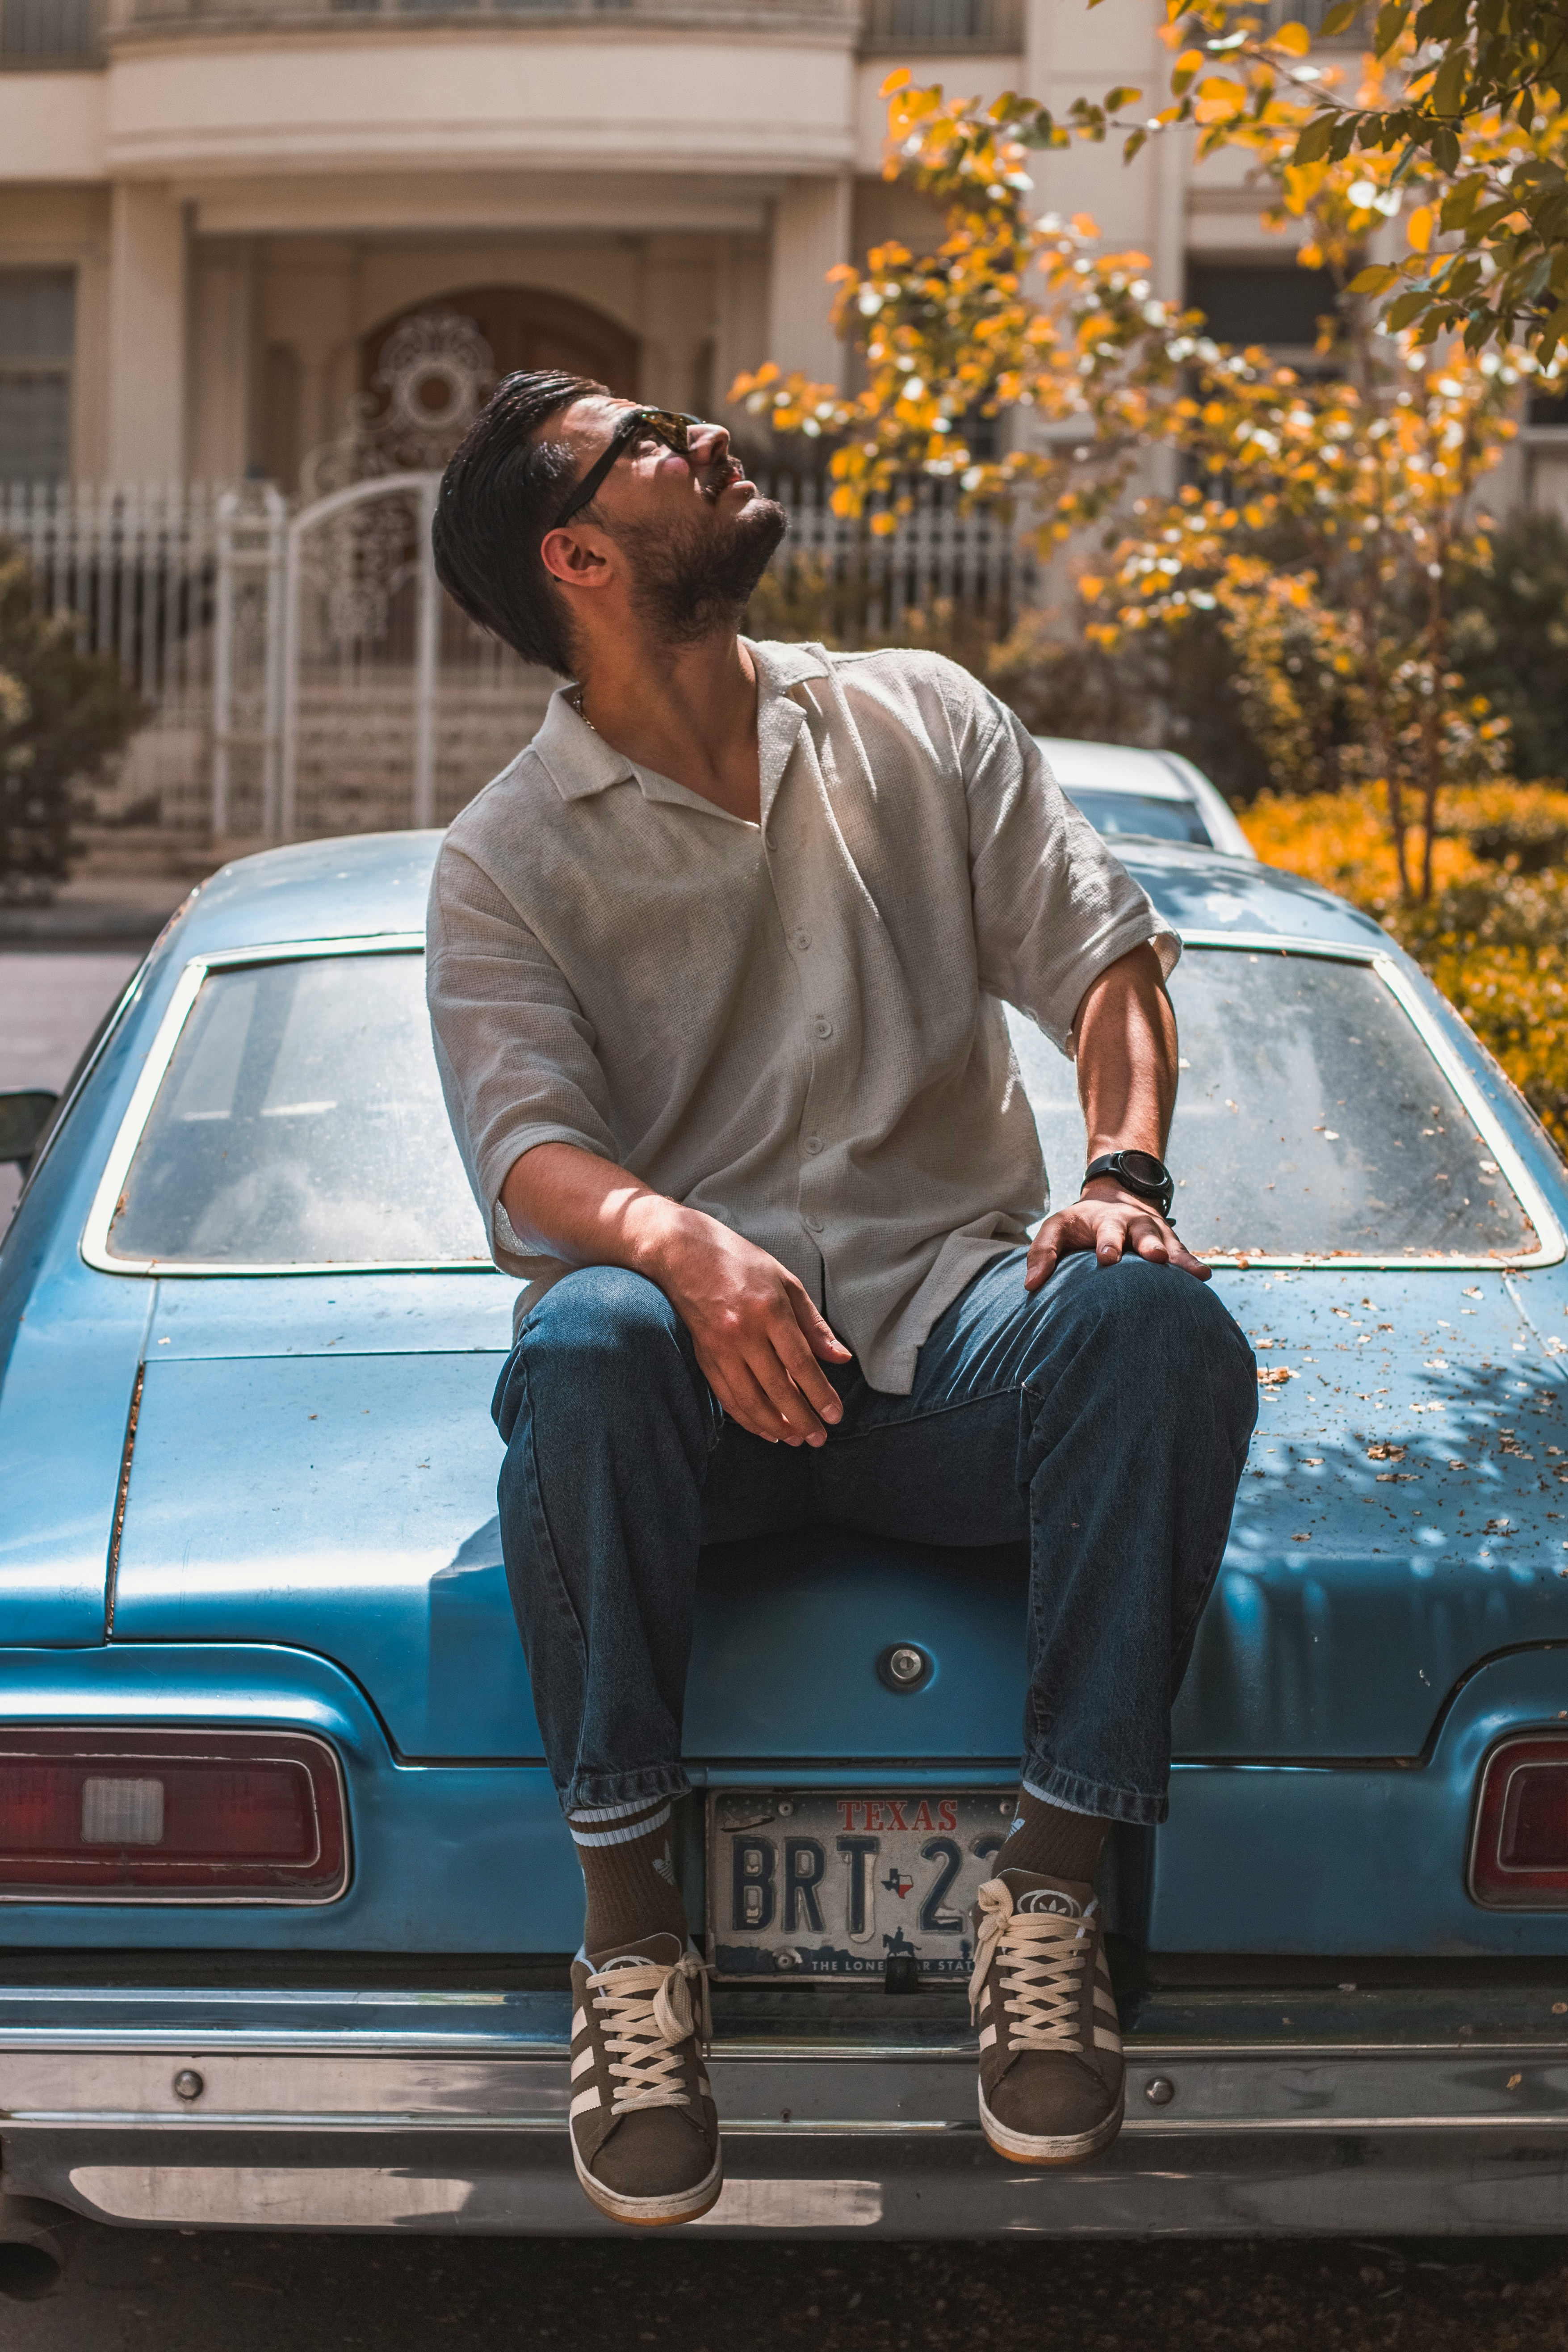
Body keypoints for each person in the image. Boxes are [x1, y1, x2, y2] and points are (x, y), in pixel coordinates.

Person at [425, 370, 1258, 2229]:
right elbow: (525, 1154)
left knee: (1152, 1319)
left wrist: (1118, 1176)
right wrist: (682, 1242)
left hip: (954, 1350)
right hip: (691, 1413)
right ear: (575, 553)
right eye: (647, 442)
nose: (703, 437)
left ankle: (1044, 1900)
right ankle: (632, 1943)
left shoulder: (917, 715)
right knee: (579, 1329)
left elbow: (1103, 955)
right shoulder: (503, 855)